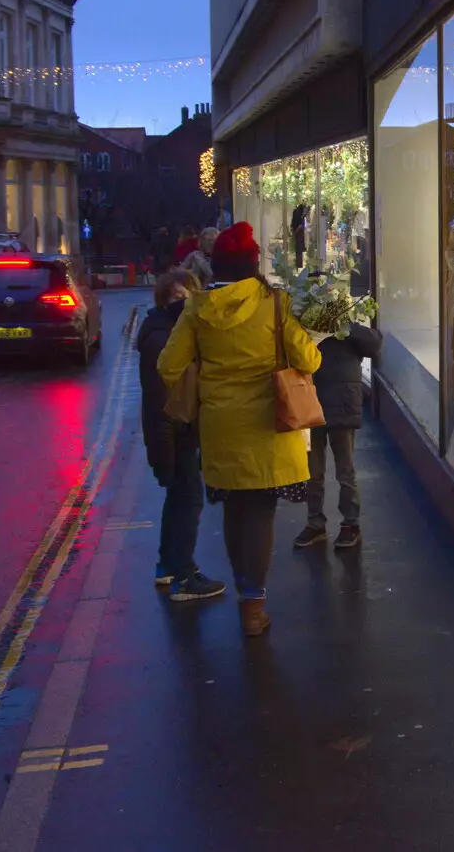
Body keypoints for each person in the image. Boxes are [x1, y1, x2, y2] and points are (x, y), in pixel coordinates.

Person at [158, 221, 321, 637]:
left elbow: (167, 366)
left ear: (216, 267)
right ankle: (254, 607)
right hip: (270, 426)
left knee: (234, 511)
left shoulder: (196, 308)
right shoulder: (276, 303)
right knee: (261, 514)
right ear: (254, 265)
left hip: (221, 430)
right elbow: (309, 360)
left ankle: (243, 594)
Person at [136, 269, 225, 602]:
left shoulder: (168, 331)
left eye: (188, 297)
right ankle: (185, 577)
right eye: (177, 298)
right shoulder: (162, 339)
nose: (184, 304)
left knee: (178, 500)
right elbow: (161, 402)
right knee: (188, 499)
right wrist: (164, 454)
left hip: (179, 433)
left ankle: (168, 566)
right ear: (163, 300)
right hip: (173, 435)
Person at [294, 301, 382, 551]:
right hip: (311, 401)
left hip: (341, 404)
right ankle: (315, 523)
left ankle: (350, 524)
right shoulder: (302, 324)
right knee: (312, 471)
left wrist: (344, 325)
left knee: (345, 471)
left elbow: (375, 344)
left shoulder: (347, 326)